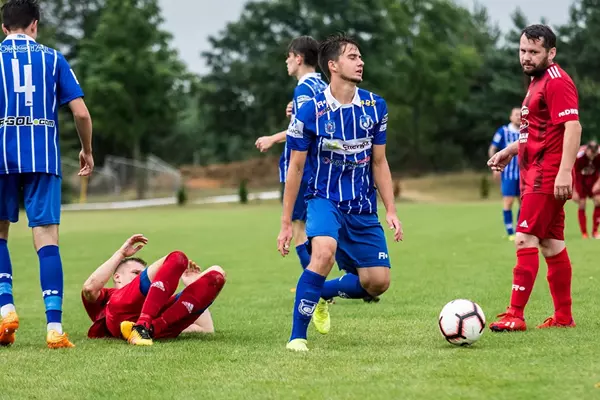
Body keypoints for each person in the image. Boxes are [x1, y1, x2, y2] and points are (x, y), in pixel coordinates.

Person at [278, 33, 402, 352]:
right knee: (323, 253)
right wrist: (286, 223)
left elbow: (379, 162)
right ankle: (297, 337)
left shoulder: (376, 106)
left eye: (360, 57)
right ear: (333, 65)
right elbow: (295, 168)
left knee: (378, 282)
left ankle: (321, 292)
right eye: (352, 57)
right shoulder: (312, 110)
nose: (361, 62)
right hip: (324, 199)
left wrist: (390, 209)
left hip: (361, 206)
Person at [0, 0, 94, 349]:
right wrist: (86, 150)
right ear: (35, 25)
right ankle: (54, 328)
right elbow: (81, 113)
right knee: (47, 241)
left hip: (0, 157)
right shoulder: (53, 59)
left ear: (4, 28)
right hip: (43, 159)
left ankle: (5, 309)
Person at [487, 24, 581, 331]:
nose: (526, 57)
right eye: (522, 50)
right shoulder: (536, 81)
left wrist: (564, 171)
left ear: (551, 53)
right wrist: (510, 150)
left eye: (534, 52)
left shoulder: (556, 81)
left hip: (547, 175)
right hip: (534, 174)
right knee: (552, 244)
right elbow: (540, 132)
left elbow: (573, 127)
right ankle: (563, 317)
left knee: (525, 238)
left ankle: (515, 314)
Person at [255, 36, 327, 271]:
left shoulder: (304, 89)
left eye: (288, 56)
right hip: (320, 167)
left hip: (302, 167)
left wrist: (271, 139)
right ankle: (318, 281)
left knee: (299, 228)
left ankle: (314, 284)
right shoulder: (323, 87)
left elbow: (303, 130)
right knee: (315, 228)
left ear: (298, 58)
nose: (286, 61)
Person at [81, 234, 226, 346]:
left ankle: (147, 329)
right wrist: (120, 254)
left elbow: (205, 330)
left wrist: (192, 288)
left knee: (217, 274)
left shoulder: (161, 304)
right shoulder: (109, 296)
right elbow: (89, 288)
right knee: (178, 258)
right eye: (136, 273)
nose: (141, 277)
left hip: (157, 323)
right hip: (125, 313)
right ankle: (142, 326)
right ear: (117, 277)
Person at [488, 108, 521, 240]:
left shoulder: (526, 131)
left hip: (524, 173)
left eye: (521, 114)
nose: (519, 117)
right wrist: (494, 166)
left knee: (524, 202)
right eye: (516, 114)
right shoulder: (503, 131)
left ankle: (520, 230)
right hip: (508, 173)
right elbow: (493, 148)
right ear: (510, 117)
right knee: (508, 201)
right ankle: (510, 232)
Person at [572, 140, 600, 238]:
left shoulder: (598, 155)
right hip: (580, 181)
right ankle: (584, 233)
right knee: (582, 204)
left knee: (598, 201)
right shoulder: (579, 156)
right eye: (591, 153)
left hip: (593, 180)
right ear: (587, 150)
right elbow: (572, 173)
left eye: (594, 154)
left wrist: (598, 183)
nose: (592, 156)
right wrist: (574, 191)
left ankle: (595, 232)